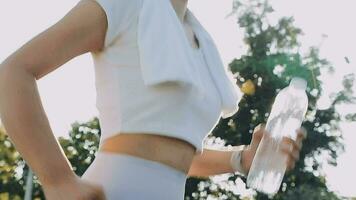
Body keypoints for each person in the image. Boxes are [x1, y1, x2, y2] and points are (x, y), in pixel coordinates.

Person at [0, 0, 307, 199]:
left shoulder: (202, 41)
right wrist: (58, 180)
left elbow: (175, 154)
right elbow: (13, 72)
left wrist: (242, 159)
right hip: (112, 191)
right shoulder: (123, 4)